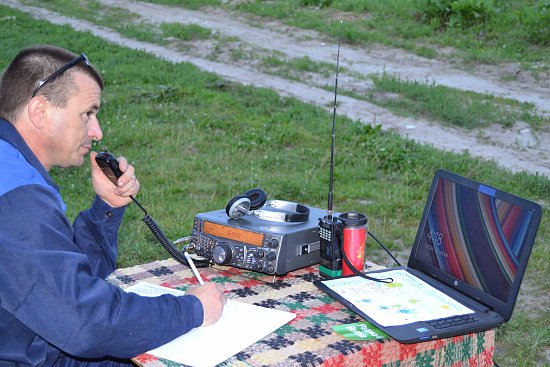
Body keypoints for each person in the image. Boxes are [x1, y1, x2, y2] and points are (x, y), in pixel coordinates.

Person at [0, 45, 227, 367]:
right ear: (40, 111)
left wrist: (107, 207)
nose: (97, 132)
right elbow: (87, 324)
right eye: (87, 113)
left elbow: (67, 284)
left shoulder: (11, 166)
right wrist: (192, 309)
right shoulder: (18, 198)